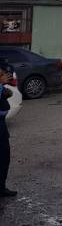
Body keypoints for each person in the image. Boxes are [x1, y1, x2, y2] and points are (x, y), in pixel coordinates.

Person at [0, 57, 17, 197]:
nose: (7, 75)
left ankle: (1, 186)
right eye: (4, 73)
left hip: (1, 128)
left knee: (4, 156)